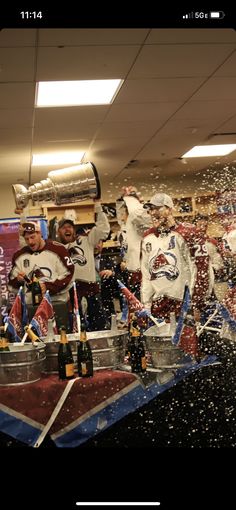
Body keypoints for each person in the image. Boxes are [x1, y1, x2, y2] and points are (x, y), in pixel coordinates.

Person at [141, 193, 215, 358]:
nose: (153, 213)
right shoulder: (147, 237)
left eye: (157, 208)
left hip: (183, 302)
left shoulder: (190, 233)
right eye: (150, 210)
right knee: (163, 354)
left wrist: (197, 303)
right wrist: (145, 303)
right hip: (159, 304)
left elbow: (202, 270)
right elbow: (146, 274)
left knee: (187, 353)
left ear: (169, 209)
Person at [8, 221, 74, 330]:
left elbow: (69, 277)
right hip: (32, 309)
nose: (30, 241)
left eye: (33, 237)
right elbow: (11, 285)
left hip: (57, 305)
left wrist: (48, 287)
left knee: (62, 340)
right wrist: (18, 280)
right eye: (27, 239)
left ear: (40, 234)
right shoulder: (19, 256)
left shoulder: (58, 249)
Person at [57, 199, 110, 331]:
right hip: (69, 292)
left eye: (70, 227)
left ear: (74, 230)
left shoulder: (86, 240)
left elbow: (103, 229)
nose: (67, 229)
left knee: (99, 327)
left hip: (90, 288)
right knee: (76, 329)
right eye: (63, 227)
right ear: (58, 232)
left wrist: (98, 206)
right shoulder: (56, 249)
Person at [116, 186, 152, 300]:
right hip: (129, 271)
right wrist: (121, 199)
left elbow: (136, 213)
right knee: (131, 305)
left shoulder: (137, 226)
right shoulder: (124, 228)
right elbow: (120, 214)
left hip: (140, 271)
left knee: (141, 303)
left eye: (123, 213)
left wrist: (130, 197)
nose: (121, 216)